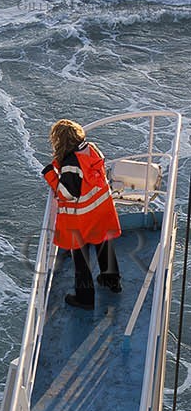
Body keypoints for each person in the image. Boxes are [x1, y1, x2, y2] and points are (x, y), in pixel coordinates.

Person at [42, 120, 122, 310]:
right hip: (102, 209)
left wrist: (51, 176)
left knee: (81, 257)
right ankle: (112, 282)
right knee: (104, 245)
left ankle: (85, 299)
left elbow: (66, 194)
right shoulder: (92, 149)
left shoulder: (71, 164)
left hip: (83, 217)